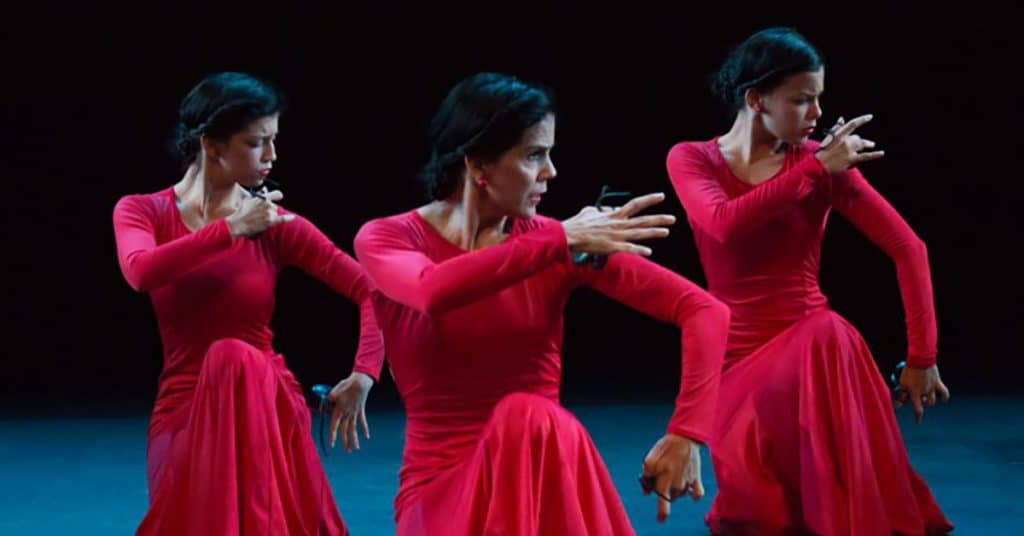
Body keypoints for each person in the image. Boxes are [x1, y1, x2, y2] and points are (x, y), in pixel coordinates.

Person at [351, 72, 731, 534]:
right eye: (534, 155)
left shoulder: (557, 243)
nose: (551, 172)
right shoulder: (386, 238)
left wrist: (688, 432)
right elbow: (432, 291)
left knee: (528, 417)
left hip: (545, 470)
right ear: (477, 165)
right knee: (523, 416)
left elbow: (705, 310)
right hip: (443, 490)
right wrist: (558, 240)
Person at [665, 28, 953, 535]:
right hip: (735, 354)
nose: (818, 114)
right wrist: (816, 171)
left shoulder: (823, 164)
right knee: (762, 508)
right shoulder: (692, 158)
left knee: (823, 335)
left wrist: (923, 358)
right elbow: (722, 223)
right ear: (756, 100)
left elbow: (910, 249)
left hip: (813, 345)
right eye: (803, 100)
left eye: (819, 99)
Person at [112, 72, 383, 535]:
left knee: (236, 356)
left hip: (265, 402)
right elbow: (141, 271)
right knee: (226, 361)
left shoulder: (276, 224)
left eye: (273, 140)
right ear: (212, 145)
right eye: (257, 143)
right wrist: (231, 229)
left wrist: (365, 372)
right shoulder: (142, 211)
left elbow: (372, 291)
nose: (272, 156)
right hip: (186, 404)